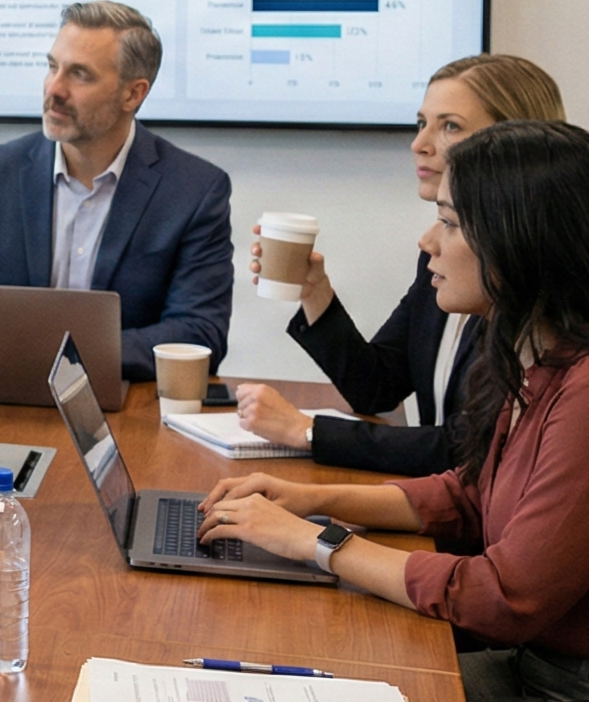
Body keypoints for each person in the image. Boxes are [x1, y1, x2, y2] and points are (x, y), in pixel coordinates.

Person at [198, 120, 589, 702]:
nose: (428, 241)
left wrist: (317, 542)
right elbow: (470, 495)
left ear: (523, 241)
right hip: (542, 665)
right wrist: (308, 500)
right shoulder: (540, 352)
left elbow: (503, 597)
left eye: (451, 223)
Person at [233, 55, 566, 475]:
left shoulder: (536, 274)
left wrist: (309, 431)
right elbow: (376, 388)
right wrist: (315, 292)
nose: (419, 143)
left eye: (450, 126)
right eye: (420, 123)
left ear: (514, 140)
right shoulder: (439, 250)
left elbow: (468, 446)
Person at [0, 0, 233, 380]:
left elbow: (198, 334)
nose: (54, 89)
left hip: (122, 411)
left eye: (80, 75)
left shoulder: (194, 191)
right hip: (0, 398)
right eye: (52, 67)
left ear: (133, 94)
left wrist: (63, 356)